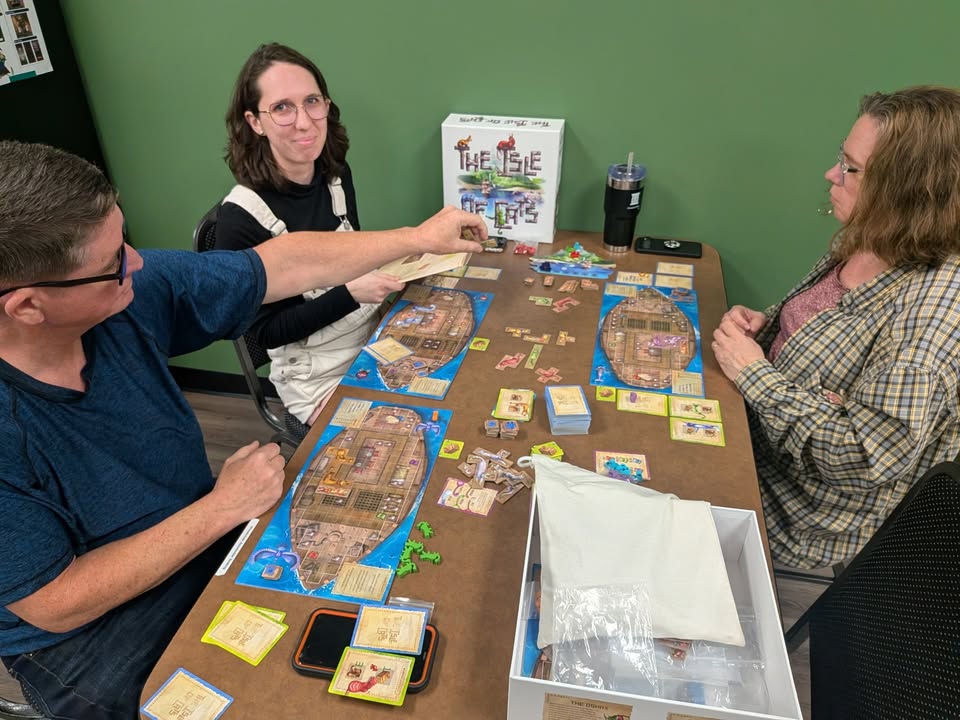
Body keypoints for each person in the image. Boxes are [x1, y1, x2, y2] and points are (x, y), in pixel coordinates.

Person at [0, 140, 484, 719]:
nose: (136, 262)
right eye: (112, 262)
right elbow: (55, 603)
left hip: (196, 533)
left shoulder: (125, 295)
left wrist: (416, 237)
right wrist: (222, 507)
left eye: (124, 240)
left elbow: (278, 264)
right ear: (27, 307)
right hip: (87, 633)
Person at [712, 86, 960, 570]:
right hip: (751, 437)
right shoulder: (875, 238)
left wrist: (754, 375)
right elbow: (826, 333)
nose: (832, 174)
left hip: (793, 511)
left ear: (908, 189)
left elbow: (862, 456)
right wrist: (768, 327)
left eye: (851, 167)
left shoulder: (931, 325)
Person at [215, 43, 404, 426]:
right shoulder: (239, 220)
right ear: (255, 122)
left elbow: (353, 255)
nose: (304, 122)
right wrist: (350, 294)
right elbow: (266, 334)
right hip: (316, 378)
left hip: (372, 340)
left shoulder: (335, 173)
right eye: (282, 107)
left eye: (312, 102)